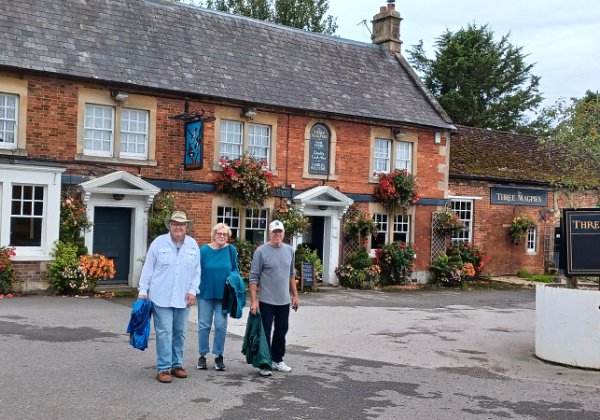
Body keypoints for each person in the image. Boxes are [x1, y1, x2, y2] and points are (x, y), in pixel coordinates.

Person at [138, 211, 200, 383]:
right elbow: (148, 268)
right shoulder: (159, 243)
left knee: (180, 333)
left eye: (181, 224)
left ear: (186, 227)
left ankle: (176, 365)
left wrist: (193, 291)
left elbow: (197, 272)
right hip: (161, 296)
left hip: (183, 298)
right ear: (170, 226)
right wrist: (143, 291)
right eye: (174, 224)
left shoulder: (193, 245)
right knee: (165, 332)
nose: (178, 227)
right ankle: (164, 368)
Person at [249, 220, 299, 377]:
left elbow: (291, 275)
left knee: (281, 331)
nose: (277, 234)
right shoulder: (261, 252)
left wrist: (295, 296)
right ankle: (264, 363)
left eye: (280, 232)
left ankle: (278, 359)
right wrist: (253, 301)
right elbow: (253, 277)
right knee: (264, 332)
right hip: (266, 301)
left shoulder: (290, 251)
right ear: (269, 234)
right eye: (274, 232)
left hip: (284, 300)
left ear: (283, 233)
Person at [196, 222, 238, 371]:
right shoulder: (204, 251)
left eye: (225, 234)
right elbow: (196, 271)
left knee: (221, 326)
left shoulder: (231, 250)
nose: (222, 236)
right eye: (219, 234)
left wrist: (232, 278)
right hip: (205, 293)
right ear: (214, 235)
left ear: (228, 237)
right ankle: (202, 355)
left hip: (223, 295)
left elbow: (235, 270)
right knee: (204, 325)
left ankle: (219, 356)